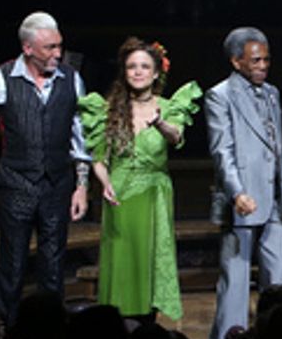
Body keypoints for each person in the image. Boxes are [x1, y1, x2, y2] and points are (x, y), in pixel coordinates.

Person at [0, 11, 92, 325]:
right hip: (17, 183)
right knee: (12, 262)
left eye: (59, 46)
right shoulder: (1, 78)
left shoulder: (71, 79)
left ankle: (50, 333)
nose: (57, 54)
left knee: (54, 265)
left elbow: (81, 140)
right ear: (28, 48)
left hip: (57, 183)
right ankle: (6, 331)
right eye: (49, 48)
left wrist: (81, 186)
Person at [78, 38, 200, 322]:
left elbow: (176, 137)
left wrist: (159, 122)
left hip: (153, 194)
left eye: (144, 66)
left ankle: (147, 324)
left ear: (156, 72)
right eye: (132, 66)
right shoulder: (109, 109)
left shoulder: (169, 107)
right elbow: (99, 157)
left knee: (149, 261)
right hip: (119, 195)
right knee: (121, 261)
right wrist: (104, 182)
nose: (137, 72)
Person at [205, 26, 282, 339]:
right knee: (236, 287)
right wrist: (237, 191)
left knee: (280, 284)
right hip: (241, 201)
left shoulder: (271, 93)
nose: (263, 65)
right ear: (236, 60)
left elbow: (276, 150)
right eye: (255, 59)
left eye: (267, 59)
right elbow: (221, 150)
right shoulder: (220, 95)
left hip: (270, 200)